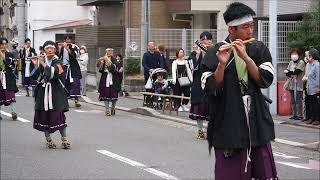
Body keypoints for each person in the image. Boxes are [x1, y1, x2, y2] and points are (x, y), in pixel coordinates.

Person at [201, 2, 278, 179]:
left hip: (256, 119)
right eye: (245, 27)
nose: (250, 31)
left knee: (262, 171)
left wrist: (246, 58)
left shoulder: (258, 48)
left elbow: (265, 80)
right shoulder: (215, 51)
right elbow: (211, 87)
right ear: (231, 29)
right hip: (228, 120)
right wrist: (221, 64)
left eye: (251, 26)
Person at [30, 40, 70, 149]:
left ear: (55, 50)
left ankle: (64, 140)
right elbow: (37, 78)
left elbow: (57, 74)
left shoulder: (58, 62)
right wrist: (35, 65)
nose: (49, 50)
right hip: (43, 94)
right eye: (47, 48)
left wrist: (42, 63)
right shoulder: (42, 62)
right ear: (44, 50)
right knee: (44, 117)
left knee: (59, 116)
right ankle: (49, 141)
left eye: (51, 48)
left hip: (56, 94)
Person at [188, 31, 213, 140]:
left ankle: (209, 131)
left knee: (210, 108)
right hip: (198, 84)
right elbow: (191, 69)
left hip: (209, 83)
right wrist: (198, 55)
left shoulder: (213, 51)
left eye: (208, 39)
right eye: (203, 40)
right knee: (199, 107)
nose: (206, 41)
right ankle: (199, 130)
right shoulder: (193, 54)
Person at [58, 35, 82, 107]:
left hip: (73, 68)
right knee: (65, 83)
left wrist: (67, 48)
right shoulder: (62, 47)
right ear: (64, 40)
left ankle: (76, 100)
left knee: (75, 83)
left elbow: (74, 56)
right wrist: (60, 49)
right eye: (66, 39)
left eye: (69, 39)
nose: (68, 40)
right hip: (65, 67)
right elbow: (59, 57)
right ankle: (65, 101)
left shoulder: (74, 46)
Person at [98, 48, 122, 116]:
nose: (110, 52)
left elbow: (113, 69)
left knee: (113, 93)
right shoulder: (103, 59)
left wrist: (107, 60)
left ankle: (113, 108)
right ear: (106, 51)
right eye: (108, 51)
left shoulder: (115, 60)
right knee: (105, 93)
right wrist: (102, 62)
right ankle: (107, 109)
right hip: (105, 77)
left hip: (113, 78)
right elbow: (100, 70)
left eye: (111, 51)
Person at [0, 37, 19, 120]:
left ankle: (13, 112)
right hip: (0, 77)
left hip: (8, 77)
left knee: (11, 94)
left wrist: (2, 54)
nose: (4, 46)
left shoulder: (9, 54)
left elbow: (9, 63)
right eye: (2, 44)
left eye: (5, 44)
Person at [284, 48, 305, 120]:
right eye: (292, 54)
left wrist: (289, 72)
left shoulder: (301, 62)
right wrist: (289, 72)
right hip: (291, 84)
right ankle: (294, 114)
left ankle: (300, 115)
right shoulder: (290, 62)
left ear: (298, 55)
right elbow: (287, 73)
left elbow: (297, 72)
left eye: (295, 54)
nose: (294, 55)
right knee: (293, 100)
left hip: (299, 84)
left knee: (298, 99)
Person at [142, 41, 164, 106]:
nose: (152, 46)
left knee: (157, 86)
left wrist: (160, 69)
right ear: (148, 47)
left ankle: (156, 99)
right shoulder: (146, 54)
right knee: (148, 87)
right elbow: (144, 63)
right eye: (150, 45)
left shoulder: (157, 54)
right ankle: (148, 100)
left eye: (153, 45)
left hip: (156, 73)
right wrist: (149, 69)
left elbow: (161, 62)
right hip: (148, 73)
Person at [304, 48, 320, 125]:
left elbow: (318, 77)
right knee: (311, 104)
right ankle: (312, 118)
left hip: (315, 87)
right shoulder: (310, 65)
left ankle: (317, 119)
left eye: (309, 55)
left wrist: (318, 87)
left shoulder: (317, 65)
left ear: (312, 56)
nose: (307, 57)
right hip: (310, 87)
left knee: (315, 104)